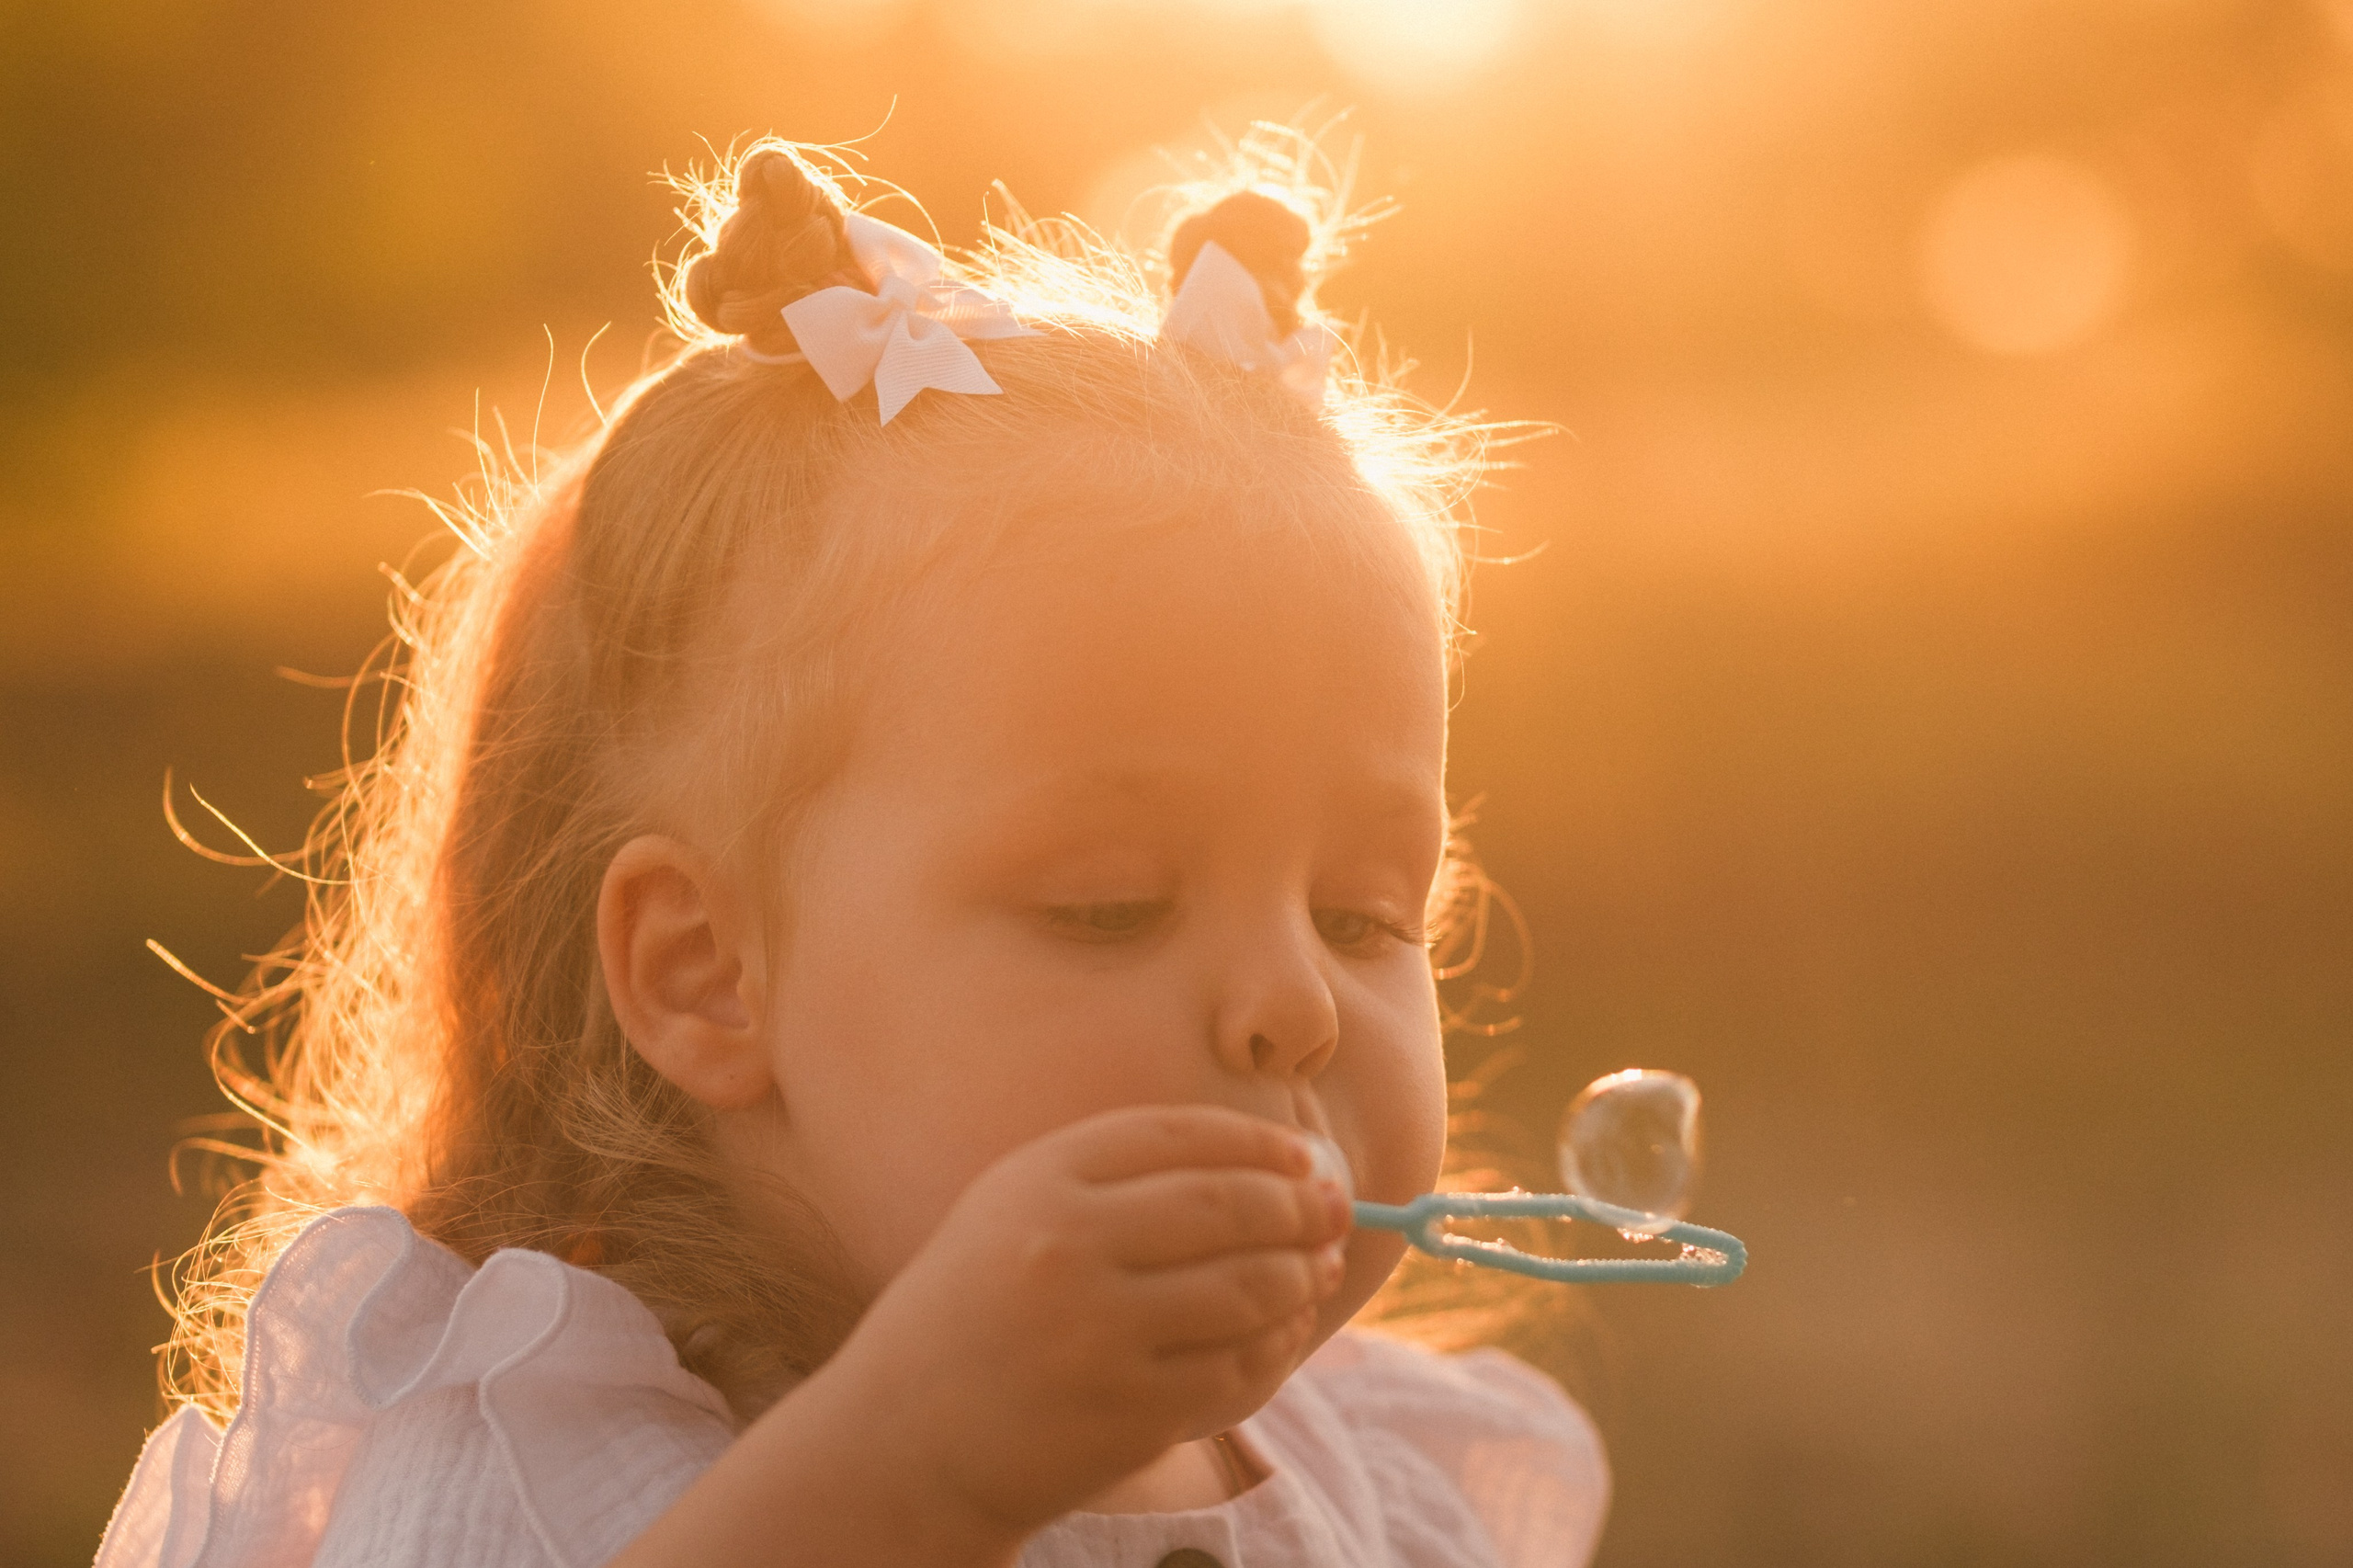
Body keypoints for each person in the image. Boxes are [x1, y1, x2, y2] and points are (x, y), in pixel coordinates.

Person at [96, 132, 1608, 1568]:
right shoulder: (549, 1474)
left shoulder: (1371, 1473)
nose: (1300, 1003)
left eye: (1361, 915)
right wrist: (922, 1471)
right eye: (1111, 905)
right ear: (707, 974)